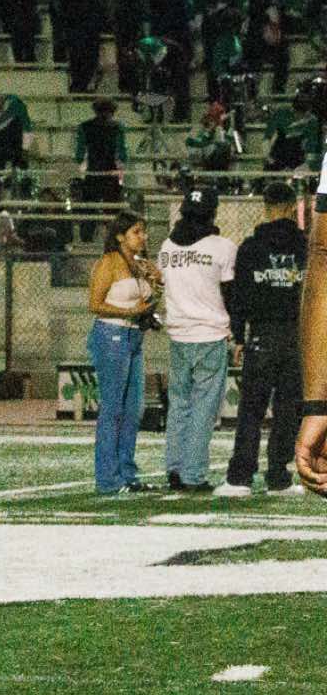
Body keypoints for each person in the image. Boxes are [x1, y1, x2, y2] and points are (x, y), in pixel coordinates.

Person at [222, 179, 306, 496]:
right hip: (296, 336)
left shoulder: (250, 248)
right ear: (292, 207)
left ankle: (240, 478)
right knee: (288, 409)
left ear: (266, 208)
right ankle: (278, 476)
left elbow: (239, 297)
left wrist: (238, 337)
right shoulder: (305, 247)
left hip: (261, 335)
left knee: (251, 409)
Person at [157, 187, 235, 492]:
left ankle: (174, 469)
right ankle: (193, 473)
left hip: (178, 334)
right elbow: (230, 294)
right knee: (204, 408)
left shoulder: (167, 246)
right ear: (213, 213)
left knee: (179, 405)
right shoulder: (222, 247)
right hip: (211, 334)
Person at [87, 211, 163, 496]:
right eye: (136, 232)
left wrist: (158, 283)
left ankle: (127, 473)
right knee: (113, 409)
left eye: (143, 231)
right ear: (120, 236)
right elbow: (94, 304)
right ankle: (108, 478)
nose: (143, 237)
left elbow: (147, 303)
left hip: (133, 336)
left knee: (133, 409)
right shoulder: (108, 262)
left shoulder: (140, 264)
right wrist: (130, 310)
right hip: (111, 335)